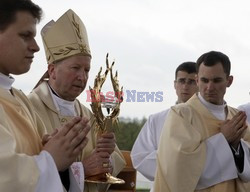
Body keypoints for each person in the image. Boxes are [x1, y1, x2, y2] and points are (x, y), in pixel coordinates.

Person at [28, 9, 126, 192]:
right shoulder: (29, 109)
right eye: (75, 67)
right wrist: (82, 170)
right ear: (52, 71)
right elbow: (24, 170)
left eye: (87, 70)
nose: (82, 77)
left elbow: (115, 162)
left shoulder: (88, 114)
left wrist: (107, 155)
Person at [0, 1, 90, 192]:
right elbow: (6, 178)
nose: (35, 47)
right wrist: (51, 158)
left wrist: (57, 149)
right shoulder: (29, 100)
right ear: (53, 71)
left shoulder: (19, 99)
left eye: (86, 70)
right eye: (25, 36)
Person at [154, 51, 250, 192]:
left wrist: (237, 147)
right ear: (197, 80)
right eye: (205, 80)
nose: (209, 87)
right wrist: (223, 139)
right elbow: (177, 168)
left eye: (216, 80)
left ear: (229, 81)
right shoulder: (181, 114)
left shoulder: (237, 117)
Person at [131, 62, 198, 184]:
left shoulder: (206, 119)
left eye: (191, 82)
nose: (185, 86)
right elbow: (139, 158)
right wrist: (178, 160)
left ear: (199, 83)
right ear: (175, 84)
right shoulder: (156, 120)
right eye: (182, 81)